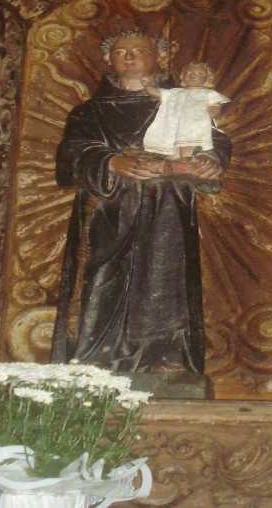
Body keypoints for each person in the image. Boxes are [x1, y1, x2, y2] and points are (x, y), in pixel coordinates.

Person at [50, 31, 230, 376]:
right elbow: (70, 157)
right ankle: (96, 355)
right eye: (121, 51)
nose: (130, 57)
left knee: (164, 270)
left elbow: (211, 137)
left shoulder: (181, 101)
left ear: (158, 56)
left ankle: (164, 350)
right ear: (108, 60)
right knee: (104, 277)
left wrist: (210, 160)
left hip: (168, 206)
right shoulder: (89, 112)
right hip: (108, 207)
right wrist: (112, 162)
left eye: (139, 50)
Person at [142, 61, 230, 165]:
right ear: (182, 76)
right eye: (189, 73)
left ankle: (187, 162)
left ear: (207, 78)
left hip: (193, 126)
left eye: (200, 74)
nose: (193, 76)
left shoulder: (209, 93)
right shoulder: (174, 92)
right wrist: (147, 85)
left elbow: (215, 106)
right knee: (171, 151)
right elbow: (156, 92)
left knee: (188, 148)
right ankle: (173, 164)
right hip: (173, 126)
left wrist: (211, 113)